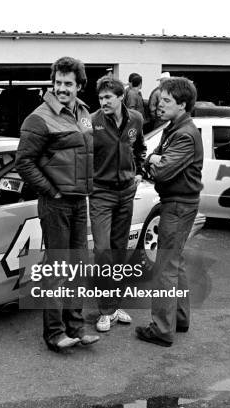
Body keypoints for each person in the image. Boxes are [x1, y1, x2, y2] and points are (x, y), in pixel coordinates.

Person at [16, 56, 100, 352]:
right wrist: (51, 192)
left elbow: (87, 152)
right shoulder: (38, 118)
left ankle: (75, 327)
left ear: (79, 86)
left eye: (68, 84)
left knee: (79, 266)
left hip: (80, 201)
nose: (62, 88)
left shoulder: (84, 113)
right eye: (58, 83)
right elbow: (23, 162)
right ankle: (54, 333)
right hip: (57, 204)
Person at [137, 77, 203, 347]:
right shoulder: (174, 127)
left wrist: (151, 159)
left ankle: (162, 329)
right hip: (179, 202)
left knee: (165, 267)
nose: (158, 105)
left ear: (183, 104)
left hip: (177, 205)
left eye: (166, 100)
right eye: (159, 99)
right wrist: (155, 161)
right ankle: (180, 318)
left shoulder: (184, 133)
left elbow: (162, 169)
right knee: (176, 262)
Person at [90, 76, 146, 332]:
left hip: (126, 192)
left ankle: (113, 306)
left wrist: (139, 171)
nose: (103, 102)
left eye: (108, 98)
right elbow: (82, 154)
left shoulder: (135, 118)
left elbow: (139, 148)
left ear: (121, 96)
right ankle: (105, 310)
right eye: (100, 98)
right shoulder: (91, 122)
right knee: (103, 251)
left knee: (119, 251)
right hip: (101, 193)